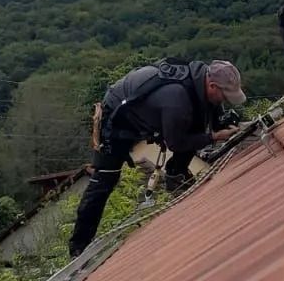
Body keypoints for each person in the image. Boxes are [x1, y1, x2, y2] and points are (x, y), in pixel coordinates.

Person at [68, 58, 246, 257]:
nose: (224, 101)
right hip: (116, 117)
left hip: (147, 111)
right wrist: (213, 137)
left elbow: (209, 113)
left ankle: (176, 173)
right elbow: (177, 142)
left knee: (200, 115)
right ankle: (78, 247)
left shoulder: (200, 82)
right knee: (105, 179)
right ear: (212, 85)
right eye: (224, 96)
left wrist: (223, 125)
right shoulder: (178, 100)